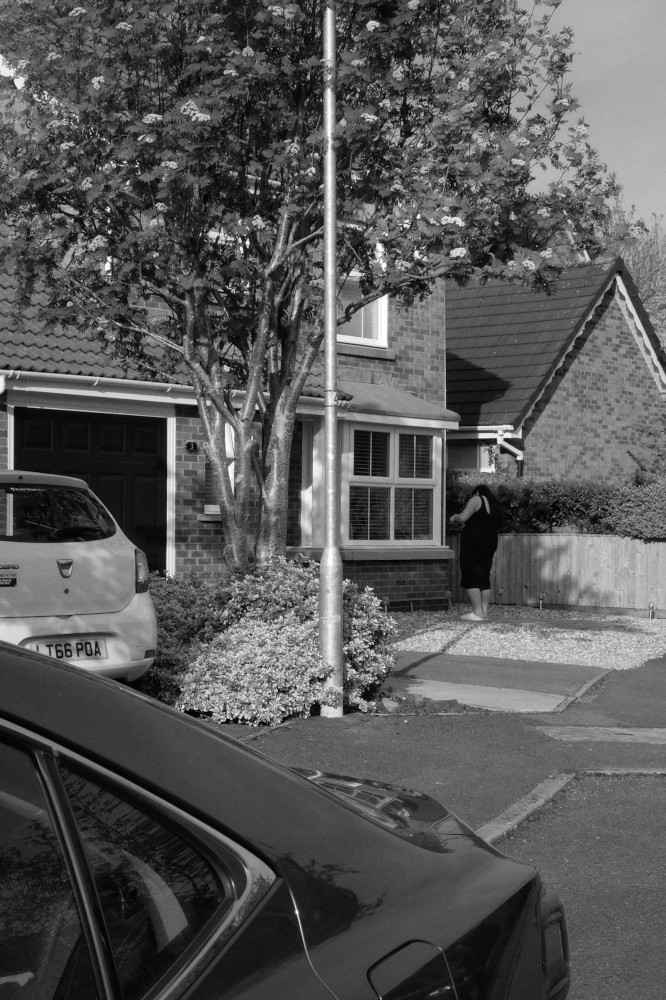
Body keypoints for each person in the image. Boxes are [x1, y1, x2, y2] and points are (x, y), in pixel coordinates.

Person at [449, 483, 502, 621]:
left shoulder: (477, 499)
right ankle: (484, 613)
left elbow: (463, 517)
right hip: (490, 542)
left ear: (477, 492)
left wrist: (454, 517)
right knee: (484, 574)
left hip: (473, 542)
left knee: (470, 573)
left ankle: (477, 613)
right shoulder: (494, 505)